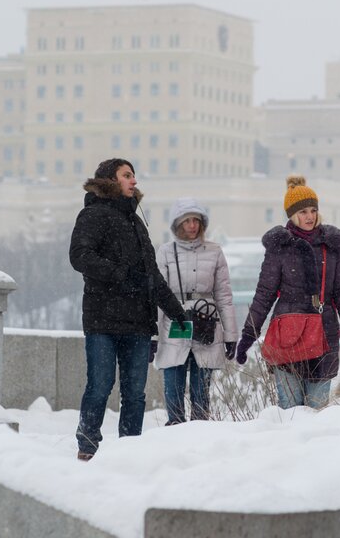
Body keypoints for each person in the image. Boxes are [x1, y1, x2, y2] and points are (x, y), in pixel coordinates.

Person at [69, 158, 187, 461]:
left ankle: (129, 451)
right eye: (127, 175)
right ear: (110, 180)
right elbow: (80, 256)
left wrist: (176, 311)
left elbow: (151, 276)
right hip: (102, 319)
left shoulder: (136, 222)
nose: (134, 181)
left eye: (134, 176)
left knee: (135, 394)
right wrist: (121, 274)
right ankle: (87, 445)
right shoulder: (93, 215)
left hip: (138, 320)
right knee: (100, 385)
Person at [234, 175, 340, 409]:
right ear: (292, 214)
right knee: (290, 412)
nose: (309, 216)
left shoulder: (331, 247)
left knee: (316, 409)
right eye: (303, 212)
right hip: (288, 335)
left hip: (324, 333)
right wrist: (248, 336)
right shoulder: (280, 248)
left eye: (313, 210)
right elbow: (264, 295)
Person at [153, 198, 239, 425]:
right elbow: (156, 296)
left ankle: (200, 433)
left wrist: (231, 336)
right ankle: (175, 427)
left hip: (205, 321)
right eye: (187, 221)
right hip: (176, 321)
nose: (192, 225)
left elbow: (224, 295)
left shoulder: (215, 251)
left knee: (202, 389)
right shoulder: (165, 252)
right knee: (173, 382)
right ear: (177, 224)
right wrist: (152, 334)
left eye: (196, 220)